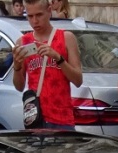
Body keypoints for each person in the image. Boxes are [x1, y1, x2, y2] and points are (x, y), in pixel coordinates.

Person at [12, 0, 82, 129]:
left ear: (49, 10)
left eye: (39, 15)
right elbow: (19, 86)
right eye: (30, 16)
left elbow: (78, 80)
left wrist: (58, 58)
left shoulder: (66, 38)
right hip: (36, 118)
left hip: (62, 119)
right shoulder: (23, 42)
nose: (35, 21)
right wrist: (16, 66)